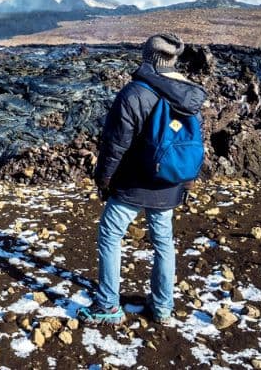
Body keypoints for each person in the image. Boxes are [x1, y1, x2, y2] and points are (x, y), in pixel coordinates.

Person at [78, 33, 207, 326]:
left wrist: (104, 178)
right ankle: (162, 307)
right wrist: (187, 182)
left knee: (110, 236)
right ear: (174, 59)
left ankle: (108, 305)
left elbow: (114, 145)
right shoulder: (188, 93)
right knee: (163, 241)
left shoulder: (134, 93)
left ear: (148, 58)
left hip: (134, 184)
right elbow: (193, 141)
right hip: (170, 181)